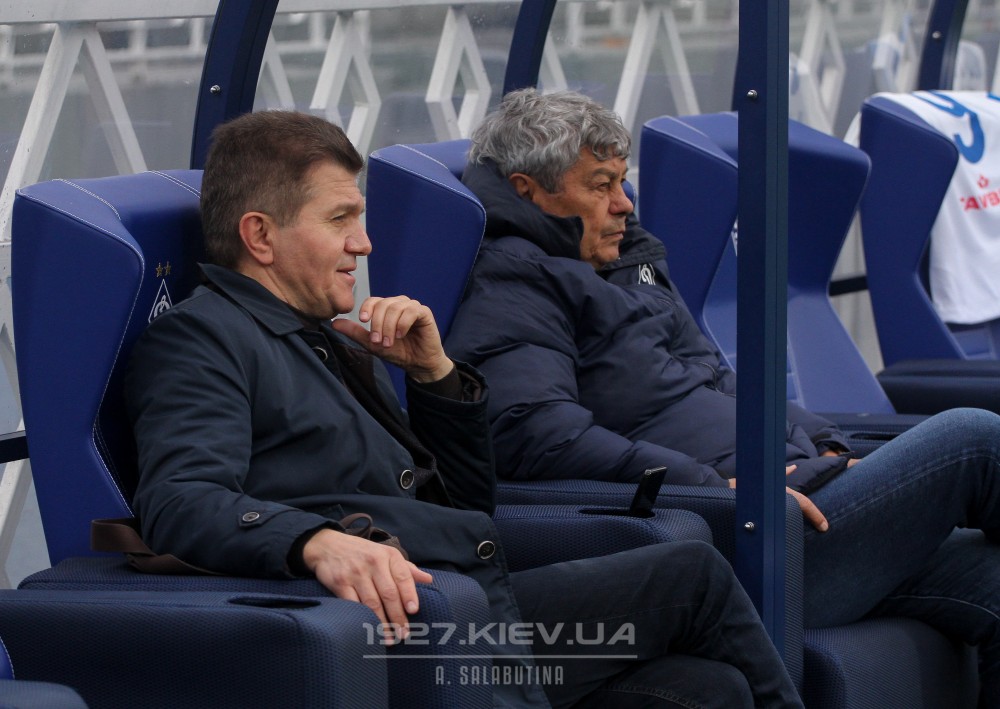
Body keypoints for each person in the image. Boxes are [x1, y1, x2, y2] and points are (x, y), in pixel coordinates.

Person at [124, 109, 803, 709]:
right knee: (691, 577)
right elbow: (180, 499)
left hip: (468, 608)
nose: (363, 244)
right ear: (260, 236)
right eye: (340, 220)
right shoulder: (202, 339)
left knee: (706, 689)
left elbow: (467, 503)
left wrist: (436, 378)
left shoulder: (328, 341)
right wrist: (311, 541)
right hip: (420, 631)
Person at [443, 87, 1000, 708]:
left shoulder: (626, 260)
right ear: (528, 190)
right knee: (974, 439)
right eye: (601, 186)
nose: (623, 203)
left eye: (622, 181)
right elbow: (535, 432)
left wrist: (825, 440)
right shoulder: (515, 282)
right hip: (746, 533)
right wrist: (707, 486)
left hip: (799, 495)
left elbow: (715, 377)